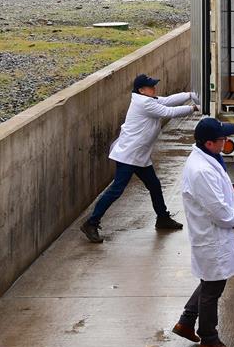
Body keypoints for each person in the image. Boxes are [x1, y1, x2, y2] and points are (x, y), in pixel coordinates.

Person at [80, 73, 198, 243]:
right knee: (116, 191)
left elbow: (167, 100)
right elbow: (168, 111)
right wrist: (194, 108)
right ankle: (91, 223)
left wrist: (189, 95)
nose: (154, 88)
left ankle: (163, 218)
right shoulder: (144, 103)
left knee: (154, 186)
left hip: (138, 155)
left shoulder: (147, 99)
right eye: (151, 87)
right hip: (129, 155)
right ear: (142, 90)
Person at [171, 118, 234, 347]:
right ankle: (209, 339)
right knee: (213, 286)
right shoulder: (201, 170)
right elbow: (217, 210)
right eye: (223, 139)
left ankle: (186, 321)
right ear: (210, 143)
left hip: (212, 234)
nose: (226, 142)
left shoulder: (208, 159)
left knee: (209, 280)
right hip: (211, 235)